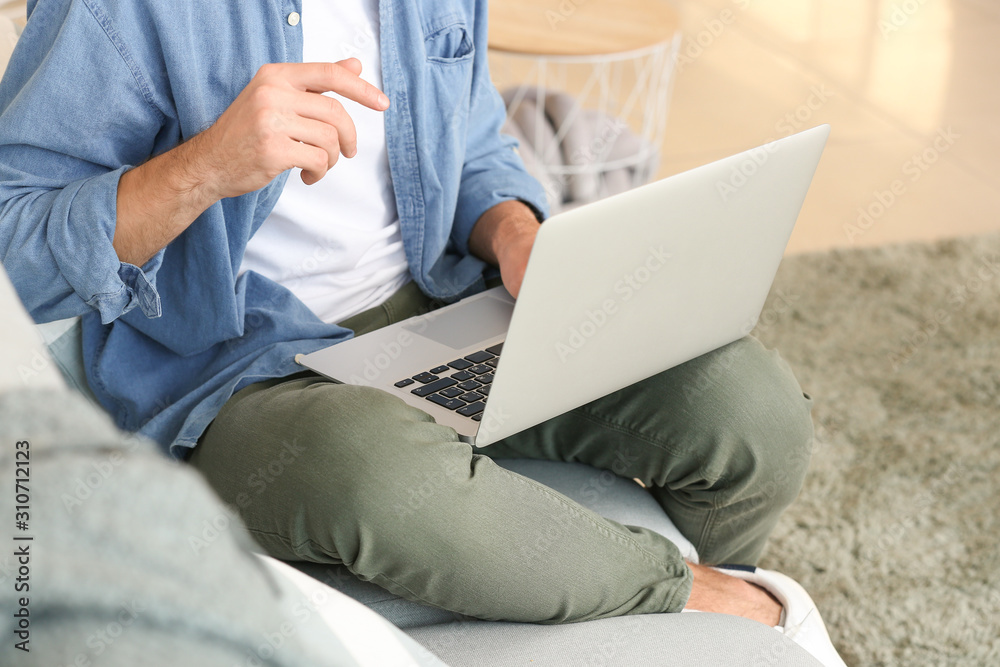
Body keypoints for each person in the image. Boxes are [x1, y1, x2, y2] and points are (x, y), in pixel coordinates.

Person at [0, 1, 844, 664]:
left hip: (440, 307)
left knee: (747, 408)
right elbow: (15, 241)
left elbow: (475, 138)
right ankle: (719, 601)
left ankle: (698, 632)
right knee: (368, 472)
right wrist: (203, 167)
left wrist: (512, 231)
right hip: (235, 372)